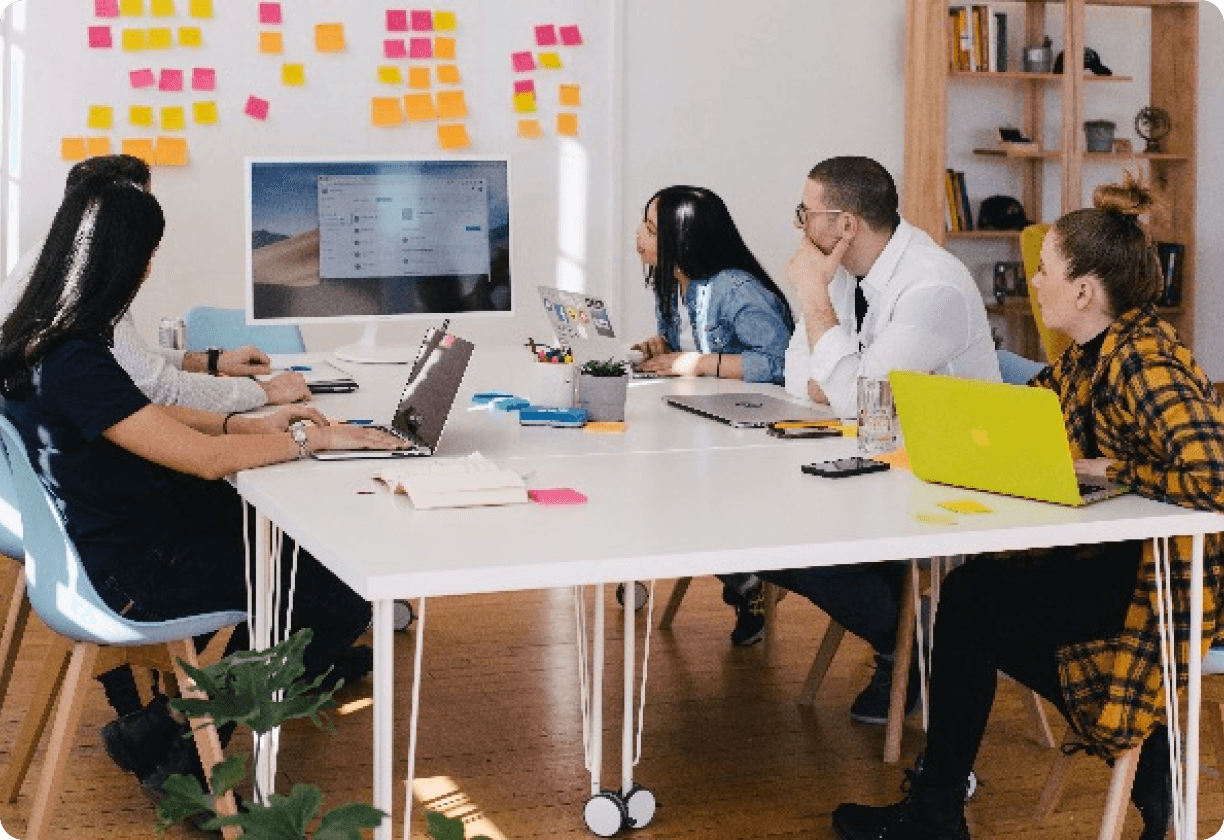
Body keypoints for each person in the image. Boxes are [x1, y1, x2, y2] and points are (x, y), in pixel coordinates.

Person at [832, 175, 1224, 840]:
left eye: (1044, 271)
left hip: (1166, 582)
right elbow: (1023, 421)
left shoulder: (1144, 362)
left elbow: (1214, 475)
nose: (1033, 283)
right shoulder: (1087, 358)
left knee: (971, 606)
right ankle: (1140, 764)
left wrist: (1114, 468)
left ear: (1084, 291)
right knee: (971, 598)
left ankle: (1139, 763)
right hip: (1117, 558)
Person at [0, 174, 408, 804]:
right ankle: (182, 744)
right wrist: (310, 441)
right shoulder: (75, 356)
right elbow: (207, 461)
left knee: (290, 557)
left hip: (102, 540)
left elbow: (139, 417)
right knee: (333, 591)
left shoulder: (36, 340)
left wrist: (242, 421)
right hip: (128, 576)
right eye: (147, 255)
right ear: (125, 261)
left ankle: (164, 731)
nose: (150, 269)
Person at [761, 156, 1001, 725]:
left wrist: (815, 305)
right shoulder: (844, 273)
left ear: (844, 225)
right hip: (881, 458)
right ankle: (907, 638)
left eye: (806, 213)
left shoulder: (931, 286)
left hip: (944, 476)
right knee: (770, 538)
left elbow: (853, 396)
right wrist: (843, 375)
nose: (800, 227)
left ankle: (916, 650)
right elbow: (798, 374)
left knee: (807, 550)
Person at [0, 155, 312, 412]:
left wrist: (211, 361)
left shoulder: (50, 260)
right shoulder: (86, 282)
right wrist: (264, 392)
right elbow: (156, 387)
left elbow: (125, 360)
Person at [631, 185, 795, 646]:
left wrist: (697, 363)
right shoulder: (671, 285)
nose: (638, 237)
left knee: (676, 492)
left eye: (649, 228)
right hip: (705, 418)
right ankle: (742, 579)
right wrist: (665, 349)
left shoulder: (737, 291)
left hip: (751, 434)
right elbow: (689, 347)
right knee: (660, 482)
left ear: (682, 240)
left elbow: (781, 363)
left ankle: (747, 581)